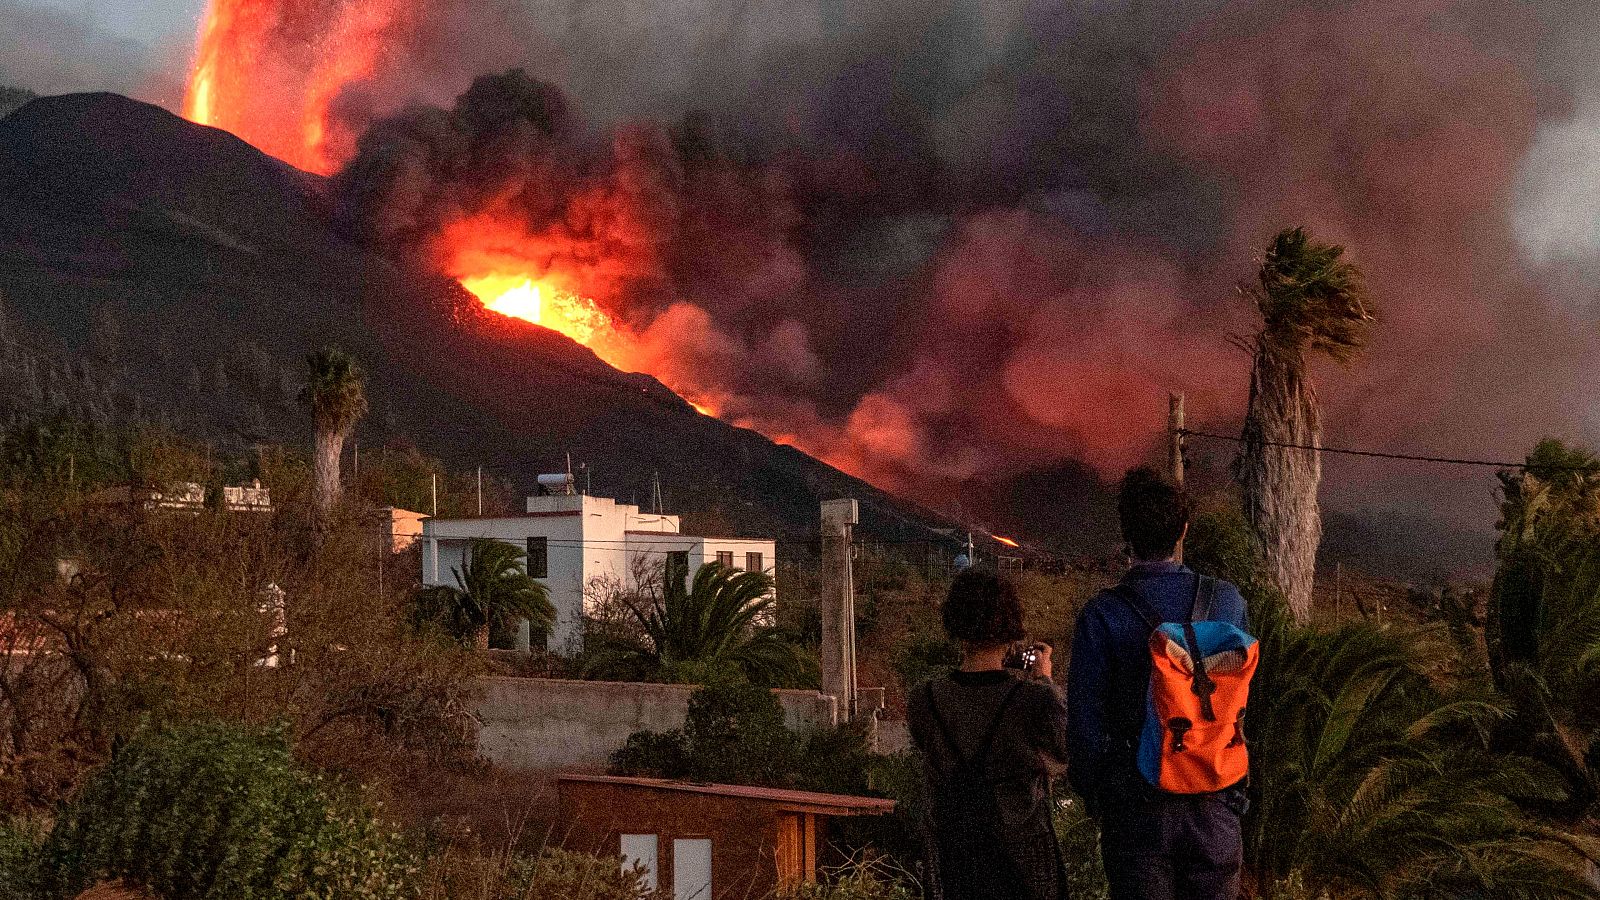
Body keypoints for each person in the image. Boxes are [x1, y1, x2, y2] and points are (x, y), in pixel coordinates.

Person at [1068, 467, 1250, 900]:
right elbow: (1242, 700)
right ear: (1183, 529)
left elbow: (1085, 727)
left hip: (1138, 813)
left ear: (1126, 534)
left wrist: (1102, 796)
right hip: (1214, 804)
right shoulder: (1227, 602)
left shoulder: (1102, 615)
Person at [908, 568, 1068, 900]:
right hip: (1025, 867)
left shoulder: (925, 699)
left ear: (956, 624)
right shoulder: (1032, 700)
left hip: (955, 865)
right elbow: (1066, 747)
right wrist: (1044, 679)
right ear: (1012, 631)